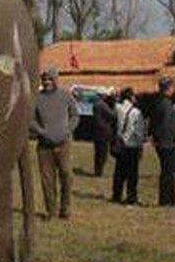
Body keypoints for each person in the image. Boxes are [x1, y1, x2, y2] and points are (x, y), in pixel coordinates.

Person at [29, 68, 79, 220]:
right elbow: (30, 119)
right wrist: (42, 132)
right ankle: (51, 211)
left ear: (56, 80)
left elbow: (75, 115)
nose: (47, 82)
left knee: (66, 175)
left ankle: (65, 209)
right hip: (44, 146)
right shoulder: (37, 98)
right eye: (44, 80)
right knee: (47, 180)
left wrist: (67, 130)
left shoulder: (66, 96)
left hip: (64, 143)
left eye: (50, 79)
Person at [112, 88, 147, 205]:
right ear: (131, 97)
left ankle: (116, 195)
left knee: (119, 172)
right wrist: (141, 143)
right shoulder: (136, 112)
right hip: (132, 145)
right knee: (132, 174)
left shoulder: (118, 108)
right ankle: (131, 197)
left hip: (121, 144)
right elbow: (137, 131)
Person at [152, 77, 175, 207]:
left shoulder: (160, 102)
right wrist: (174, 140)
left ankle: (172, 196)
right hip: (166, 143)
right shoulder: (166, 104)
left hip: (163, 141)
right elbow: (167, 125)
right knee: (167, 172)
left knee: (168, 171)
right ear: (168, 88)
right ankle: (165, 199)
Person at [90, 89, 118, 178]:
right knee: (103, 153)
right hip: (104, 132)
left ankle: (97, 170)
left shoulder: (95, 104)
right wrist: (114, 107)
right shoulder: (102, 105)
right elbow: (112, 115)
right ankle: (99, 171)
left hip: (96, 132)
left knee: (97, 153)